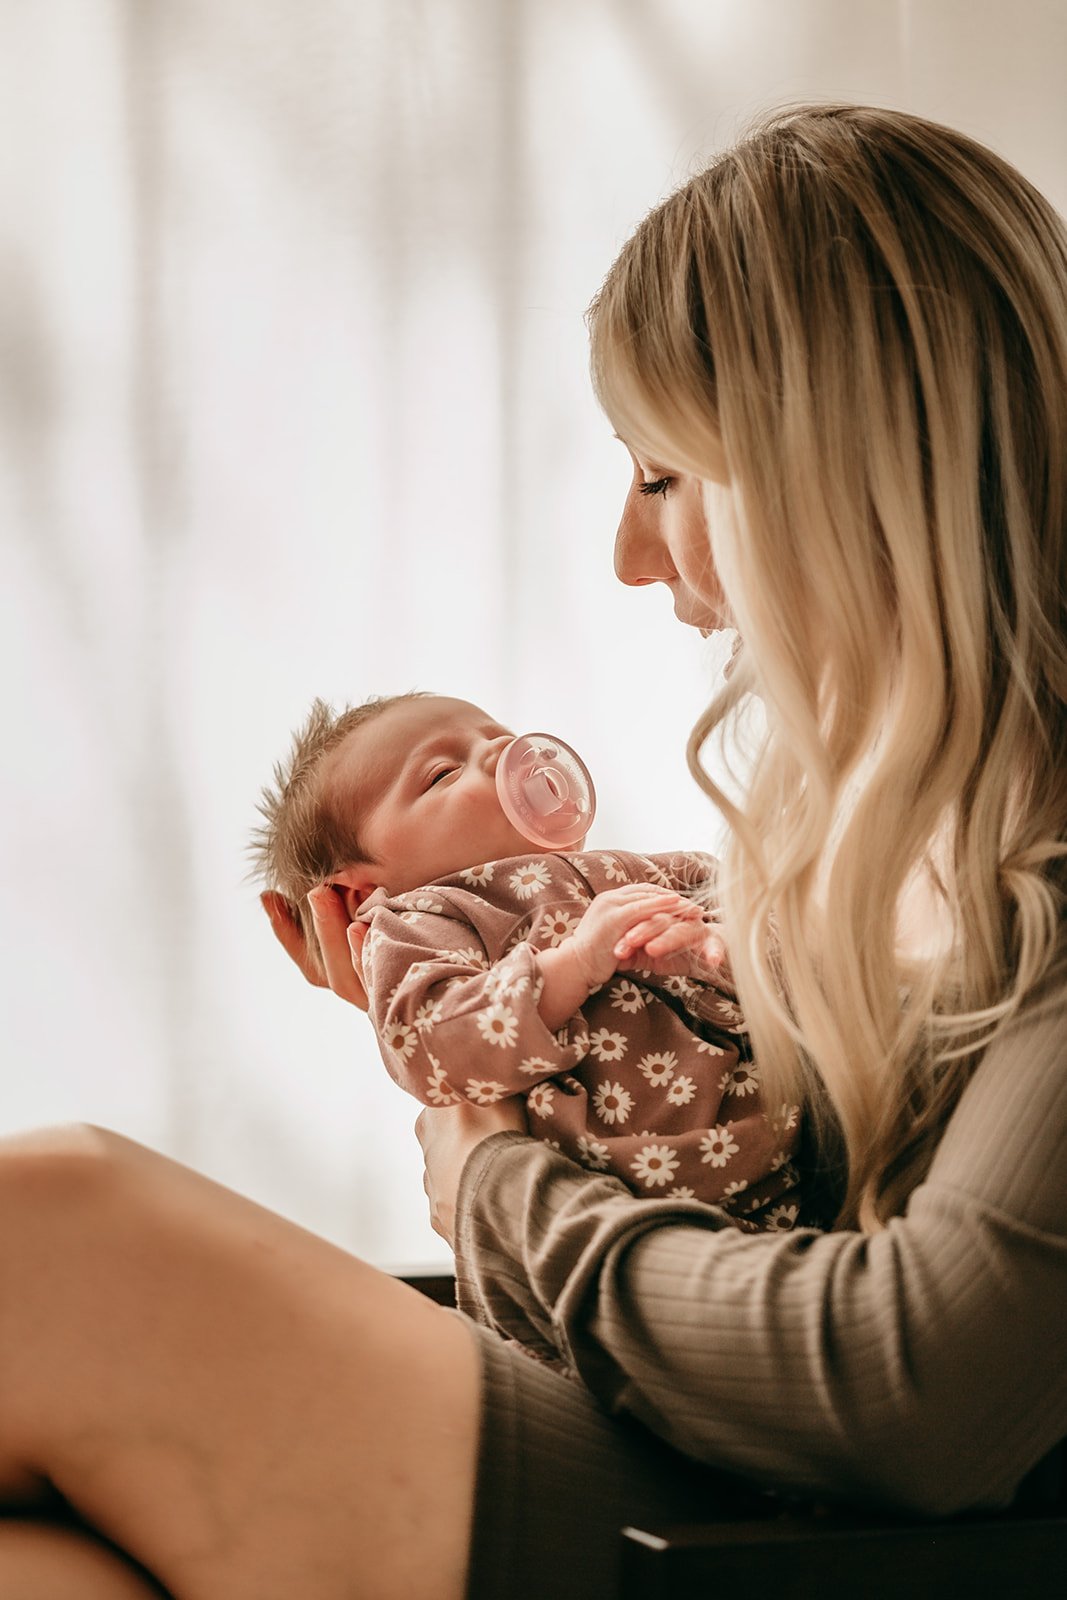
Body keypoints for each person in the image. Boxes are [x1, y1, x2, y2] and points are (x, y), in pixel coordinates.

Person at [1, 101, 1065, 1600]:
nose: (632, 558)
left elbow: (919, 1388)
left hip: (781, 1532)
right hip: (704, 1464)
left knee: (50, 1238)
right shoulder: (871, 862)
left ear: (835, 467)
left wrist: (493, 1187)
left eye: (660, 478)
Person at [249, 689, 804, 1221]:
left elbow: (801, 946)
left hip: (790, 1155)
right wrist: (576, 964)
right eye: (442, 772)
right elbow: (429, 1041)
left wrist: (734, 948)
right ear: (361, 895)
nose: (498, 752)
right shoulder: (424, 920)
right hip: (616, 1199)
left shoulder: (651, 870)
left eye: (500, 737)